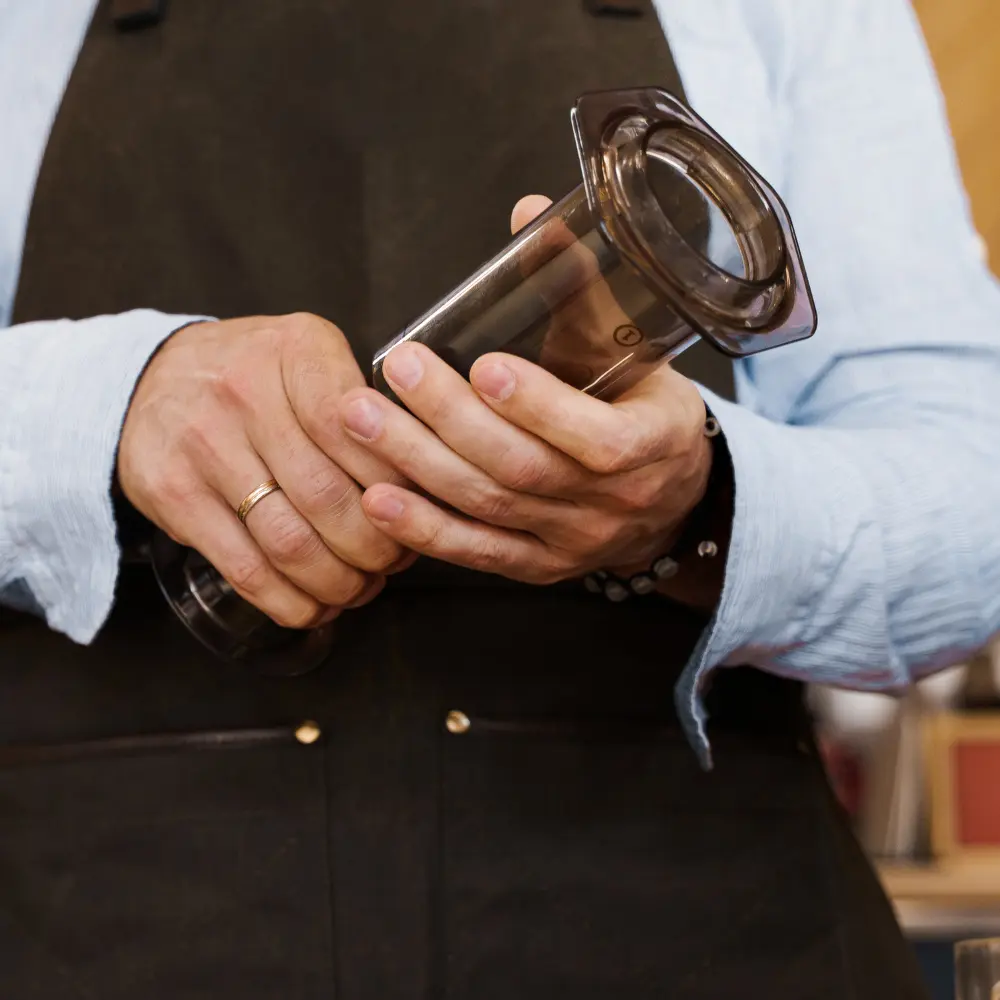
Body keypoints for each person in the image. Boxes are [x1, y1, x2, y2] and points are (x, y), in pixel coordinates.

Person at [1, 0, 998, 996]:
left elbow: (968, 510)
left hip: (684, 922)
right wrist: (102, 399)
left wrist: (696, 499)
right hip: (105, 924)